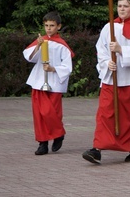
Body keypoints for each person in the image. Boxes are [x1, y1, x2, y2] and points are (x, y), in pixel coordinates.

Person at [82, 0, 130, 164]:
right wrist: (107, 63)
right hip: (111, 79)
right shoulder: (109, 27)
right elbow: (100, 49)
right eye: (119, 6)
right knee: (105, 114)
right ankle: (97, 149)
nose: (122, 9)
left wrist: (122, 50)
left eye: (126, 6)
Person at [23, 11, 74, 155]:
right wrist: (38, 46)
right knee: (40, 114)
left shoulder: (62, 46)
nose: (49, 28)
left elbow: (67, 67)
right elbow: (29, 57)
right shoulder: (40, 41)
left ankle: (58, 134)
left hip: (55, 82)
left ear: (59, 26)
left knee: (52, 113)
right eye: (46, 25)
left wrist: (53, 69)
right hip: (39, 81)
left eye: (52, 25)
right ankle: (42, 143)